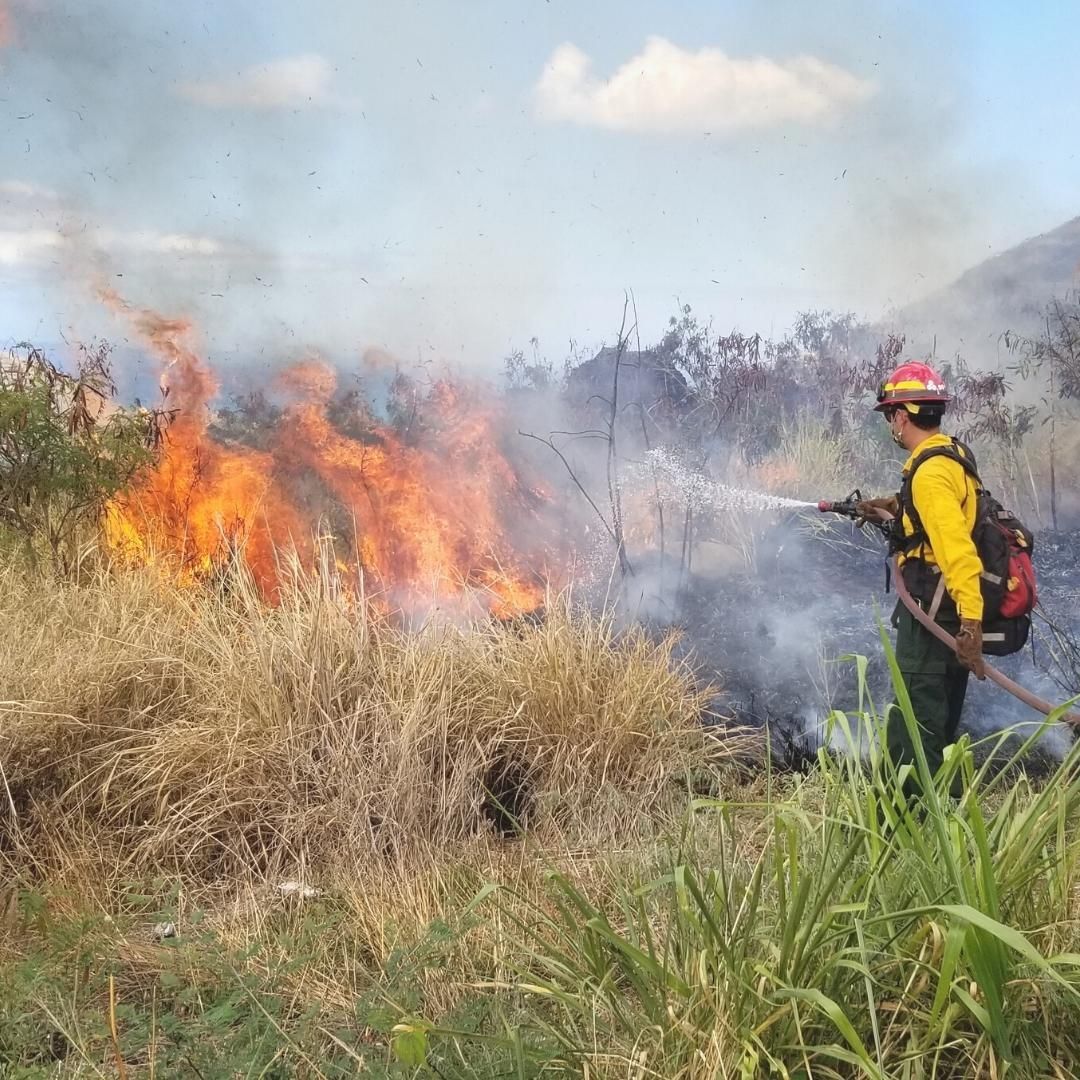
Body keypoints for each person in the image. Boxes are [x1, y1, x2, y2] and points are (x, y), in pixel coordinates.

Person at [855, 361, 986, 789]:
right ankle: (947, 813)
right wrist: (892, 506)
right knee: (938, 728)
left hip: (934, 617)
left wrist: (971, 624)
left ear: (901, 416)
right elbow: (939, 515)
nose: (891, 425)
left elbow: (958, 550)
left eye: (890, 416)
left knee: (913, 734)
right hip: (946, 613)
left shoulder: (929, 473)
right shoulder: (951, 456)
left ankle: (911, 819)